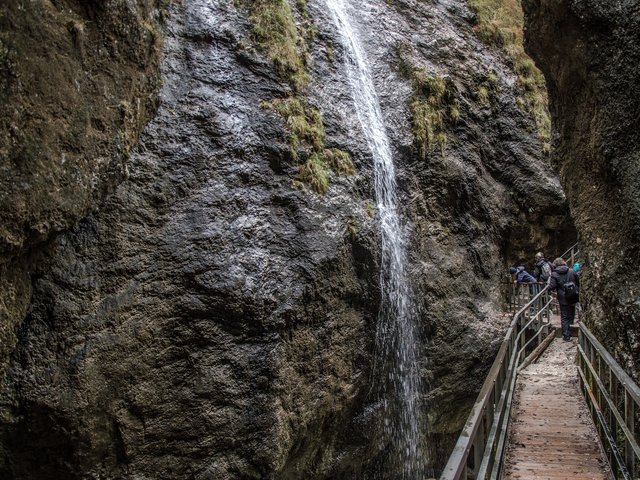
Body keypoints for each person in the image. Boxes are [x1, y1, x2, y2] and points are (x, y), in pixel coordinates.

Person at [548, 257, 580, 341]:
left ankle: (566, 336)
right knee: (572, 308)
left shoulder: (554, 274)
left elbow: (552, 286)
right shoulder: (572, 271)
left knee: (564, 316)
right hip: (573, 295)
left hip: (563, 297)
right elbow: (578, 282)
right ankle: (572, 322)